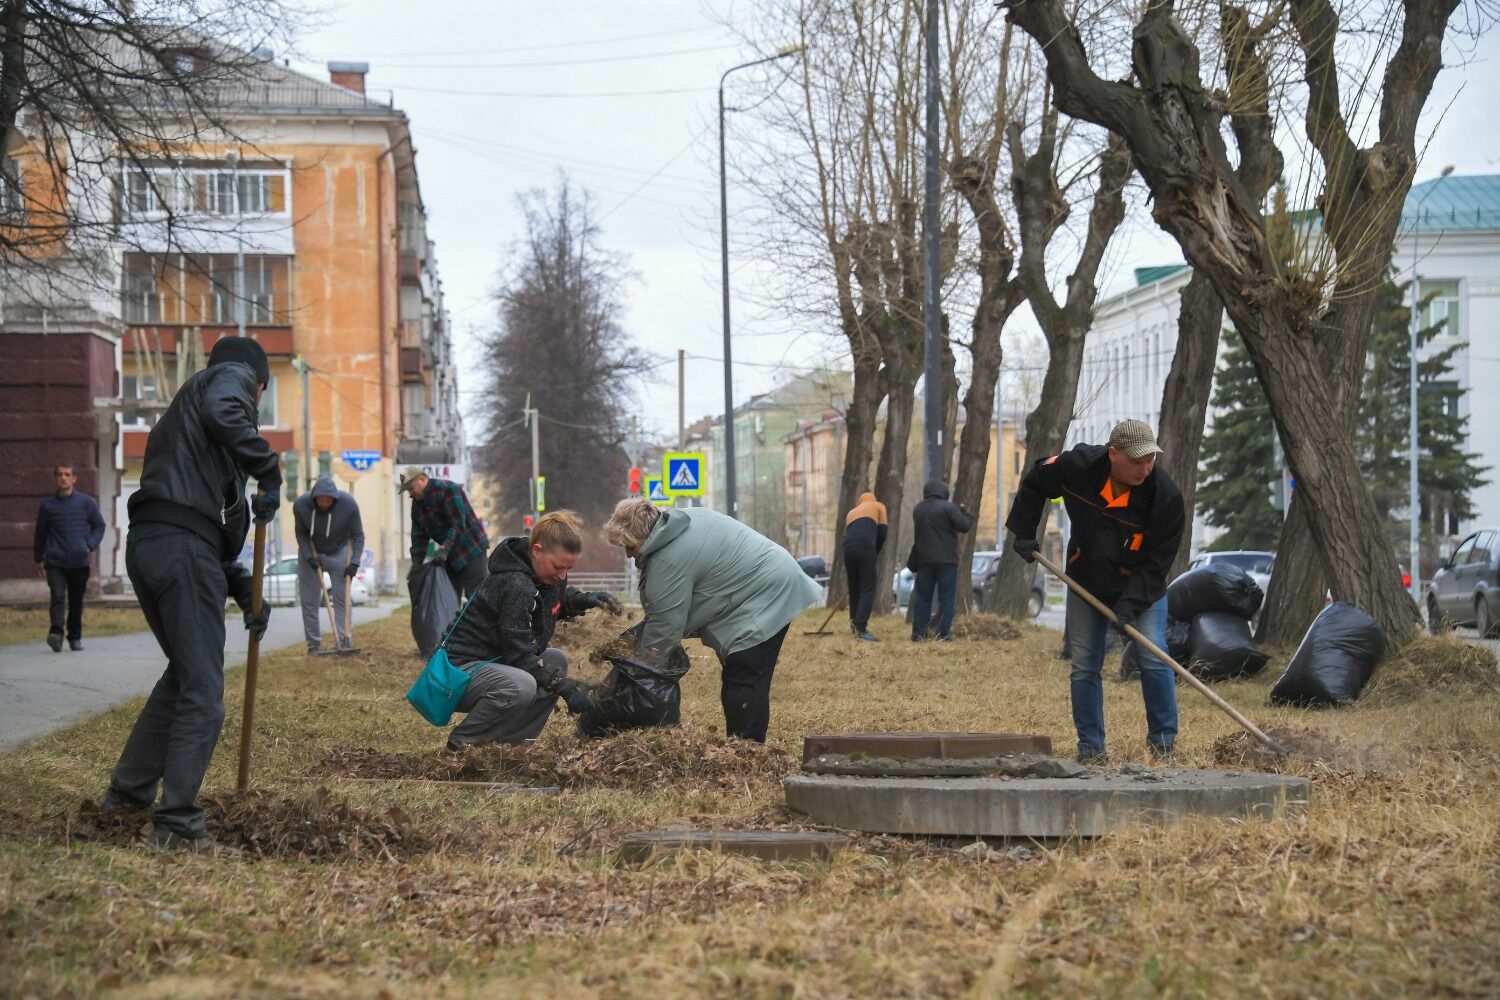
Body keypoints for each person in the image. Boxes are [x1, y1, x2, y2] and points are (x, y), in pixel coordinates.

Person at [100, 336, 279, 853]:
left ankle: (128, 794)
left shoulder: (190, 424)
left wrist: (243, 587)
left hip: (155, 547)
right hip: (179, 550)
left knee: (183, 676)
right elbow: (229, 410)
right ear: (259, 380)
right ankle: (177, 826)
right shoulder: (229, 383)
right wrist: (267, 468)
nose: (254, 404)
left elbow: (205, 524)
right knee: (203, 691)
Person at [1006, 419, 1184, 762]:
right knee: (1085, 664)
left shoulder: (1165, 497)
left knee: (1154, 657)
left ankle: (1163, 744)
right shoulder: (1079, 468)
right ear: (1112, 453)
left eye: (1150, 460)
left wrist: (1129, 605)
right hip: (1086, 579)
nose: (1144, 469)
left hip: (1142, 587)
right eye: (1136, 461)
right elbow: (1037, 479)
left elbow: (1157, 562)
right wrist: (1026, 530)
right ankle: (1091, 748)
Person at [604, 498, 822, 743]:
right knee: (742, 672)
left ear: (643, 538)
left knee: (745, 672)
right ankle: (744, 746)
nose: (629, 555)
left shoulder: (667, 558)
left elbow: (665, 628)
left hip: (766, 592)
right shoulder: (678, 524)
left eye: (629, 546)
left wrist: (641, 672)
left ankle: (745, 753)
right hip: (765, 580)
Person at [442, 510, 620, 750]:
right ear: (536, 550)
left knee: (555, 658)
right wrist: (561, 684)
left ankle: (512, 747)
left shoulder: (540, 576)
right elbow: (520, 655)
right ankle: (461, 745)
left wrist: (583, 600)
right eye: (558, 566)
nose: (562, 575)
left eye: (568, 569)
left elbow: (547, 600)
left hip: (491, 664)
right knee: (522, 684)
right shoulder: (515, 584)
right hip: (455, 674)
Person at [33, 464, 106, 652]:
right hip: (55, 561)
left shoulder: (86, 503)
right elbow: (40, 534)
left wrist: (89, 545)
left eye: (67, 475)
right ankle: (56, 633)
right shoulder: (47, 506)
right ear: (56, 478)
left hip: (79, 561)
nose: (63, 478)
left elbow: (99, 525)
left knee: (76, 600)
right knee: (57, 597)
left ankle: (75, 637)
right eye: (59, 475)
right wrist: (38, 558)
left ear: (74, 478)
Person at [292, 476, 365, 653]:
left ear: (335, 498)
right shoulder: (301, 505)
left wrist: (354, 563)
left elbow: (358, 535)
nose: (324, 503)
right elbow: (301, 533)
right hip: (312, 550)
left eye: (328, 500)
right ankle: (314, 645)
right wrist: (309, 557)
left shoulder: (349, 504)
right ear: (314, 497)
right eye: (321, 500)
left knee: (342, 599)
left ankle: (344, 639)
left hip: (340, 550)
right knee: (309, 600)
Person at [397, 468, 489, 603]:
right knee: (448, 600)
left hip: (471, 549)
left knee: (476, 598)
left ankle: (481, 623)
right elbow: (418, 538)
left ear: (422, 479)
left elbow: (458, 523)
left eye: (411, 488)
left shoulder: (447, 489)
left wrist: (444, 549)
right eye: (408, 491)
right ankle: (455, 624)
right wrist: (416, 565)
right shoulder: (417, 506)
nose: (411, 494)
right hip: (448, 556)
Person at [906, 480, 975, 641]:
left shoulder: (918, 509)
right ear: (944, 492)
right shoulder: (948, 508)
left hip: (924, 561)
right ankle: (943, 634)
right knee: (946, 599)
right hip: (946, 561)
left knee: (923, 598)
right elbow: (964, 526)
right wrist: (966, 513)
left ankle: (918, 634)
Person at [842, 490, 888, 641]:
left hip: (848, 549)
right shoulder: (878, 506)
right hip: (866, 547)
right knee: (868, 588)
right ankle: (861, 627)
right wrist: (874, 553)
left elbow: (848, 534)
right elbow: (882, 533)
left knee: (854, 587)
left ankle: (854, 622)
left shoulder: (851, 513)